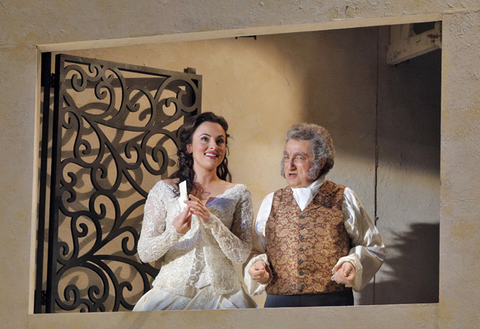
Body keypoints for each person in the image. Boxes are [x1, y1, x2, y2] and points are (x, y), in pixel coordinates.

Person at [244, 123, 385, 307]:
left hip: (331, 305)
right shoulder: (271, 201)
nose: (290, 165)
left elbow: (372, 246)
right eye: (287, 157)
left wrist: (352, 263)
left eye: (299, 158)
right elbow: (256, 250)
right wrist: (257, 268)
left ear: (321, 161)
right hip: (279, 306)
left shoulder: (343, 197)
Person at [133, 112, 257, 311]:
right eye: (205, 139)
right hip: (171, 295)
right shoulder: (164, 190)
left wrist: (212, 221)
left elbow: (241, 254)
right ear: (189, 147)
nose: (213, 146)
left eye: (220, 141)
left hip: (224, 297)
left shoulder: (238, 193)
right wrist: (175, 232)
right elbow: (145, 252)